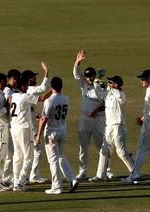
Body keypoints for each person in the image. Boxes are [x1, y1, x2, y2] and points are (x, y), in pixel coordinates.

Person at [72, 49, 112, 182]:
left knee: (101, 146)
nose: (89, 78)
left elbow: (108, 103)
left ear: (95, 76)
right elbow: (76, 74)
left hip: (99, 120)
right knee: (83, 146)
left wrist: (97, 110)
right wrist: (77, 62)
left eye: (91, 76)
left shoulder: (101, 86)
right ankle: (82, 172)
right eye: (87, 76)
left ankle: (107, 170)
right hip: (85, 120)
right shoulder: (83, 84)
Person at [34, 77, 79, 194]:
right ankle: (72, 179)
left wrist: (38, 135)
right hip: (62, 130)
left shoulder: (49, 101)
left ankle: (57, 186)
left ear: (51, 87)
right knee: (60, 157)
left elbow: (44, 119)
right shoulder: (66, 98)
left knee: (53, 160)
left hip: (51, 133)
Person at [122, 69, 150, 185]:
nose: (141, 81)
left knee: (141, 150)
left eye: (143, 79)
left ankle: (134, 175)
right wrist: (143, 118)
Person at [9, 70, 43, 192]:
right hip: (23, 129)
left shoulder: (13, 96)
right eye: (27, 86)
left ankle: (15, 183)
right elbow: (42, 98)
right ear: (23, 86)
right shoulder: (24, 96)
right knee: (28, 157)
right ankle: (20, 182)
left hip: (14, 128)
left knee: (18, 157)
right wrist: (54, 90)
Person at [93, 75, 135, 174]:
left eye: (111, 82)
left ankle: (135, 173)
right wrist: (96, 82)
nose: (109, 84)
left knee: (122, 152)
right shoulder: (109, 95)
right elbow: (99, 91)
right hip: (108, 127)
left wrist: (107, 87)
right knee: (104, 151)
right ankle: (100, 176)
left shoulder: (121, 94)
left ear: (116, 84)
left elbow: (117, 94)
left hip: (118, 127)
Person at [21, 64, 50, 183]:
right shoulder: (30, 89)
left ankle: (29, 175)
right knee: (37, 150)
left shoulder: (23, 91)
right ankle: (34, 175)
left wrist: (35, 113)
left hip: (25, 123)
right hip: (30, 126)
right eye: (33, 77)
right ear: (29, 79)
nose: (35, 79)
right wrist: (47, 72)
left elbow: (28, 106)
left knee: (27, 152)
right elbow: (43, 90)